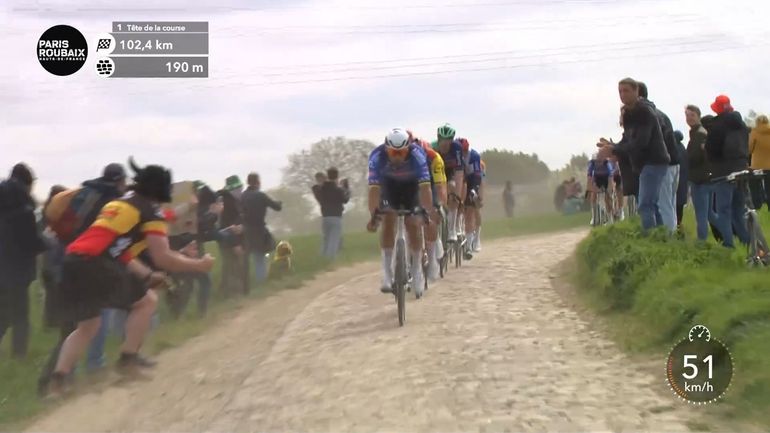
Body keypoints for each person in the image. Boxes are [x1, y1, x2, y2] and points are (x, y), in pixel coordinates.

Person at [45, 159, 214, 397]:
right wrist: (199, 265)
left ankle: (58, 380)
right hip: (96, 262)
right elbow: (163, 256)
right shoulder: (149, 210)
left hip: (73, 260)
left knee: (88, 325)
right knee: (147, 302)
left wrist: (146, 274)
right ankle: (128, 360)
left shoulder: (118, 204)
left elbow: (119, 248)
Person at [597, 78, 670, 232]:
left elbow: (641, 142)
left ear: (636, 91)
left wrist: (614, 150)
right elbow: (628, 140)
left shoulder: (644, 111)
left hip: (654, 161)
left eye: (626, 91)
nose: (622, 95)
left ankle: (651, 240)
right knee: (651, 204)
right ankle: (662, 239)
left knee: (645, 205)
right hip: (645, 164)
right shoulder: (630, 113)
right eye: (620, 91)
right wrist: (613, 146)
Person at [367, 128, 433, 297]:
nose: (396, 156)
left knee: (413, 223)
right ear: (386, 149)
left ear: (408, 149)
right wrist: (374, 215)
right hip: (389, 187)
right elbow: (374, 191)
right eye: (393, 152)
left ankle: (417, 270)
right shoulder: (377, 157)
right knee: (388, 218)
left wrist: (425, 211)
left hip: (411, 187)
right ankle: (387, 273)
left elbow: (425, 188)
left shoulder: (418, 156)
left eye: (401, 152)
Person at [0, 163, 46, 359]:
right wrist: (48, 243)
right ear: (28, 183)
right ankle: (19, 355)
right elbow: (31, 242)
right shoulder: (25, 209)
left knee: (3, 313)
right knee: (20, 315)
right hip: (17, 270)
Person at [704, 94, 751, 248]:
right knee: (738, 210)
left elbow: (712, 149)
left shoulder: (717, 126)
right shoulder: (742, 125)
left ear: (717, 108)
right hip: (741, 170)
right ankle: (747, 243)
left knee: (723, 210)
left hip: (722, 172)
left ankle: (728, 245)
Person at [638, 82, 678, 232]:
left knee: (663, 205)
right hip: (672, 161)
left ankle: (667, 239)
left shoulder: (649, 114)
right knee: (669, 205)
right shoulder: (659, 112)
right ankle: (669, 236)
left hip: (663, 163)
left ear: (639, 94)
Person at [241, 173, 282, 288]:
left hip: (246, 231)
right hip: (259, 230)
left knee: (249, 259)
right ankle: (262, 283)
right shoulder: (260, 195)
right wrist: (279, 202)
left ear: (248, 182)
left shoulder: (243, 196)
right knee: (260, 258)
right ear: (258, 182)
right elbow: (277, 207)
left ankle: (247, 285)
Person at [685, 105, 719, 242]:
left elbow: (697, 157)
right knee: (710, 214)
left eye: (692, 115)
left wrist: (687, 159)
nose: (689, 118)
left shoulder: (699, 133)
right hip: (704, 177)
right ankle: (731, 232)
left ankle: (702, 242)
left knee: (701, 214)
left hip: (700, 179)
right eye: (687, 115)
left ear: (698, 116)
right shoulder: (697, 132)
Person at [417, 138, 447, 281]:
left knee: (431, 211)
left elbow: (439, 186)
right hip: (413, 183)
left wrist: (439, 203)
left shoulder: (434, 158)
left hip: (431, 182)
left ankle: (433, 254)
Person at [433, 123, 466, 243]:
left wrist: (457, 195)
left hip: (451, 172)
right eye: (442, 141)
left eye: (447, 142)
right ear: (438, 139)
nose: (444, 145)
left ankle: (452, 230)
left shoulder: (456, 148)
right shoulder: (433, 148)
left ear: (451, 141)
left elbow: (459, 173)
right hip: (437, 171)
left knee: (452, 188)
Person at [217, 175, 246, 296]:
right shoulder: (227, 202)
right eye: (237, 189)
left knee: (230, 264)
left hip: (231, 238)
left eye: (240, 188)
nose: (240, 191)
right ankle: (234, 292)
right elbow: (227, 226)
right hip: (228, 239)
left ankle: (228, 291)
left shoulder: (235, 201)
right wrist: (236, 244)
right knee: (232, 264)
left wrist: (242, 226)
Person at [316, 167, 350, 259]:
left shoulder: (322, 188)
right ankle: (330, 259)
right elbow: (345, 200)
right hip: (336, 217)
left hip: (325, 217)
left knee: (325, 239)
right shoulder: (338, 189)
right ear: (337, 176)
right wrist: (346, 188)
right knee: (334, 240)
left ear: (327, 175)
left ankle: (322, 259)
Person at [458, 138, 483, 258]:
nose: (463, 153)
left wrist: (475, 190)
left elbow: (477, 176)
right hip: (462, 179)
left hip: (475, 178)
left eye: (465, 151)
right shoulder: (455, 154)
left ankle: (476, 238)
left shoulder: (474, 156)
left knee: (473, 209)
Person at [586, 152, 616, 225]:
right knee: (592, 195)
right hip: (597, 179)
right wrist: (593, 189)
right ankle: (594, 217)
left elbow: (610, 181)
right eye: (597, 161)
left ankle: (610, 218)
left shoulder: (607, 164)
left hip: (606, 180)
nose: (598, 163)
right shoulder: (592, 164)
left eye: (600, 161)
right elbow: (589, 180)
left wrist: (608, 191)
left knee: (608, 199)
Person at [749, 114, 770, 210]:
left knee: (754, 185)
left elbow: (749, 148)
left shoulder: (754, 132)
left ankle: (757, 205)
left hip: (757, 165)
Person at [674, 130, 689, 227]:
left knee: (673, 206)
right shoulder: (683, 148)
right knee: (679, 208)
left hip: (676, 180)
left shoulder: (673, 149)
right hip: (684, 181)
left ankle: (676, 228)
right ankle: (679, 227)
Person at [472, 159, 486, 252]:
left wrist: (480, 197)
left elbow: (481, 182)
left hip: (475, 183)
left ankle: (477, 238)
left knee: (476, 207)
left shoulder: (479, 164)